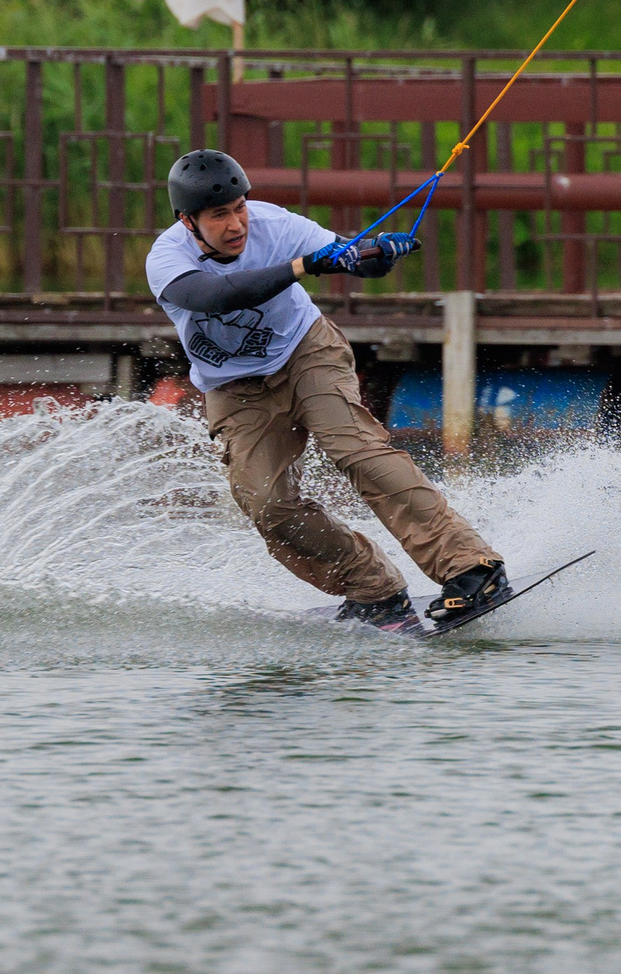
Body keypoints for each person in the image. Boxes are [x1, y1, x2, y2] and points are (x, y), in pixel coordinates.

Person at [149, 150, 512, 632]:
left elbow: (354, 260)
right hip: (235, 390)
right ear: (188, 221)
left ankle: (471, 567)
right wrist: (304, 265)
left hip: (306, 352)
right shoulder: (167, 258)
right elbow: (217, 297)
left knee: (356, 450)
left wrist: (378, 254)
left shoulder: (274, 224)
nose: (237, 224)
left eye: (240, 208)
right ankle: (373, 590)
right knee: (267, 506)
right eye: (220, 216)